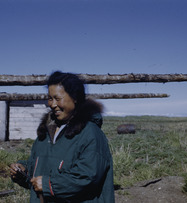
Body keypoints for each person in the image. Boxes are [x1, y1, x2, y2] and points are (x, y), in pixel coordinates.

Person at [10, 71, 115, 202]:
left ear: (75, 98)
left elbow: (88, 178)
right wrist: (23, 171)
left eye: (57, 98)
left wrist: (50, 185)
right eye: (49, 98)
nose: (52, 104)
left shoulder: (91, 134)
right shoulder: (46, 135)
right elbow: (38, 171)